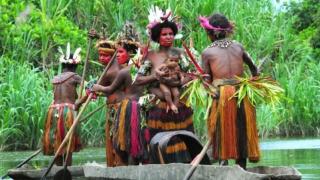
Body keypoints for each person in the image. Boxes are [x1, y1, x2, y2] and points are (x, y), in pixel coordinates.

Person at [199, 13, 260, 169]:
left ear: (209, 33)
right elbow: (254, 69)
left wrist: (213, 91)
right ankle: (242, 169)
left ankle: (223, 166)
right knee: (242, 131)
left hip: (222, 95)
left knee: (221, 132)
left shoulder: (207, 52)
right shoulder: (238, 46)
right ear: (227, 30)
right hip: (241, 93)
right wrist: (253, 83)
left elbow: (206, 81)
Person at [135, 6, 194, 163]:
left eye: (170, 34)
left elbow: (192, 76)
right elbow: (139, 80)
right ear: (157, 37)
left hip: (179, 106)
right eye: (164, 34)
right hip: (158, 108)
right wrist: (156, 76)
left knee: (183, 140)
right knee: (159, 143)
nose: (168, 37)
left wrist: (178, 81)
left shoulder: (180, 54)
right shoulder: (151, 57)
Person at [92, 22, 148, 165]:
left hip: (130, 109)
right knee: (129, 142)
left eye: (120, 52)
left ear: (130, 53)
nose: (117, 55)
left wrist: (97, 87)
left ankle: (126, 169)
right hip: (134, 108)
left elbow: (110, 89)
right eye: (116, 53)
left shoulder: (127, 70)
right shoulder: (138, 69)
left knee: (125, 143)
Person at [87, 30, 126, 167]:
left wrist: (94, 90)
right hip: (114, 107)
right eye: (100, 55)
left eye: (105, 56)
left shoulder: (113, 70)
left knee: (117, 138)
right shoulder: (110, 68)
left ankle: (119, 166)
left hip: (118, 108)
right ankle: (117, 164)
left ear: (112, 56)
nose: (101, 58)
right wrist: (93, 91)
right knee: (114, 138)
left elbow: (103, 88)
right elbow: (100, 89)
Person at [42, 43, 82, 166]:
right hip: (66, 112)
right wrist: (80, 102)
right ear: (74, 66)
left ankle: (57, 170)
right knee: (68, 143)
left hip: (53, 111)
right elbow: (89, 90)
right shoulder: (75, 77)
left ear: (63, 65)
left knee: (57, 143)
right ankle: (66, 171)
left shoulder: (56, 78)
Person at [155, 49, 184, 113]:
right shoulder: (163, 65)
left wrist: (181, 77)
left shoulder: (177, 67)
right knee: (167, 92)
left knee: (177, 94)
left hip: (173, 84)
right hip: (164, 84)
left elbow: (180, 73)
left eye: (176, 61)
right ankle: (171, 104)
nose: (173, 62)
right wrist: (160, 73)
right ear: (166, 60)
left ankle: (174, 106)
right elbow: (156, 69)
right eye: (171, 60)